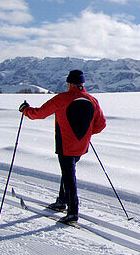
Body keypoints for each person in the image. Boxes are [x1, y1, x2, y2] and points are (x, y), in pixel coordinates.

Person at [18, 69, 106, 225]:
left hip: (65, 144)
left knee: (69, 175)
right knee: (68, 172)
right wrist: (85, 133)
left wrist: (26, 110)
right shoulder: (92, 100)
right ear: (82, 84)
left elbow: (40, 113)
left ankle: (72, 212)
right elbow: (100, 125)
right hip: (81, 145)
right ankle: (61, 201)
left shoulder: (62, 98)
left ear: (69, 83)